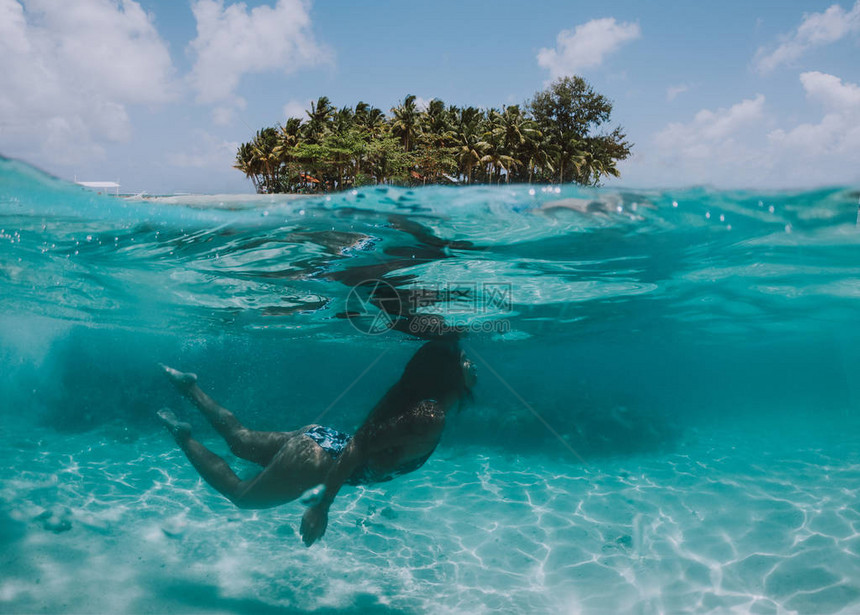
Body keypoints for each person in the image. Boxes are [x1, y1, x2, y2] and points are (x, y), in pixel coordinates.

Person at [157, 339, 476, 546]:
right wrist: (322, 507)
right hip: (319, 460)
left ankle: (189, 388)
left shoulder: (413, 398)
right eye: (464, 359)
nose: (471, 363)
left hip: (322, 440)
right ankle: (181, 435)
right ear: (446, 372)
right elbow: (360, 446)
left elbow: (361, 439)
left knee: (241, 441)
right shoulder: (429, 415)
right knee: (242, 495)